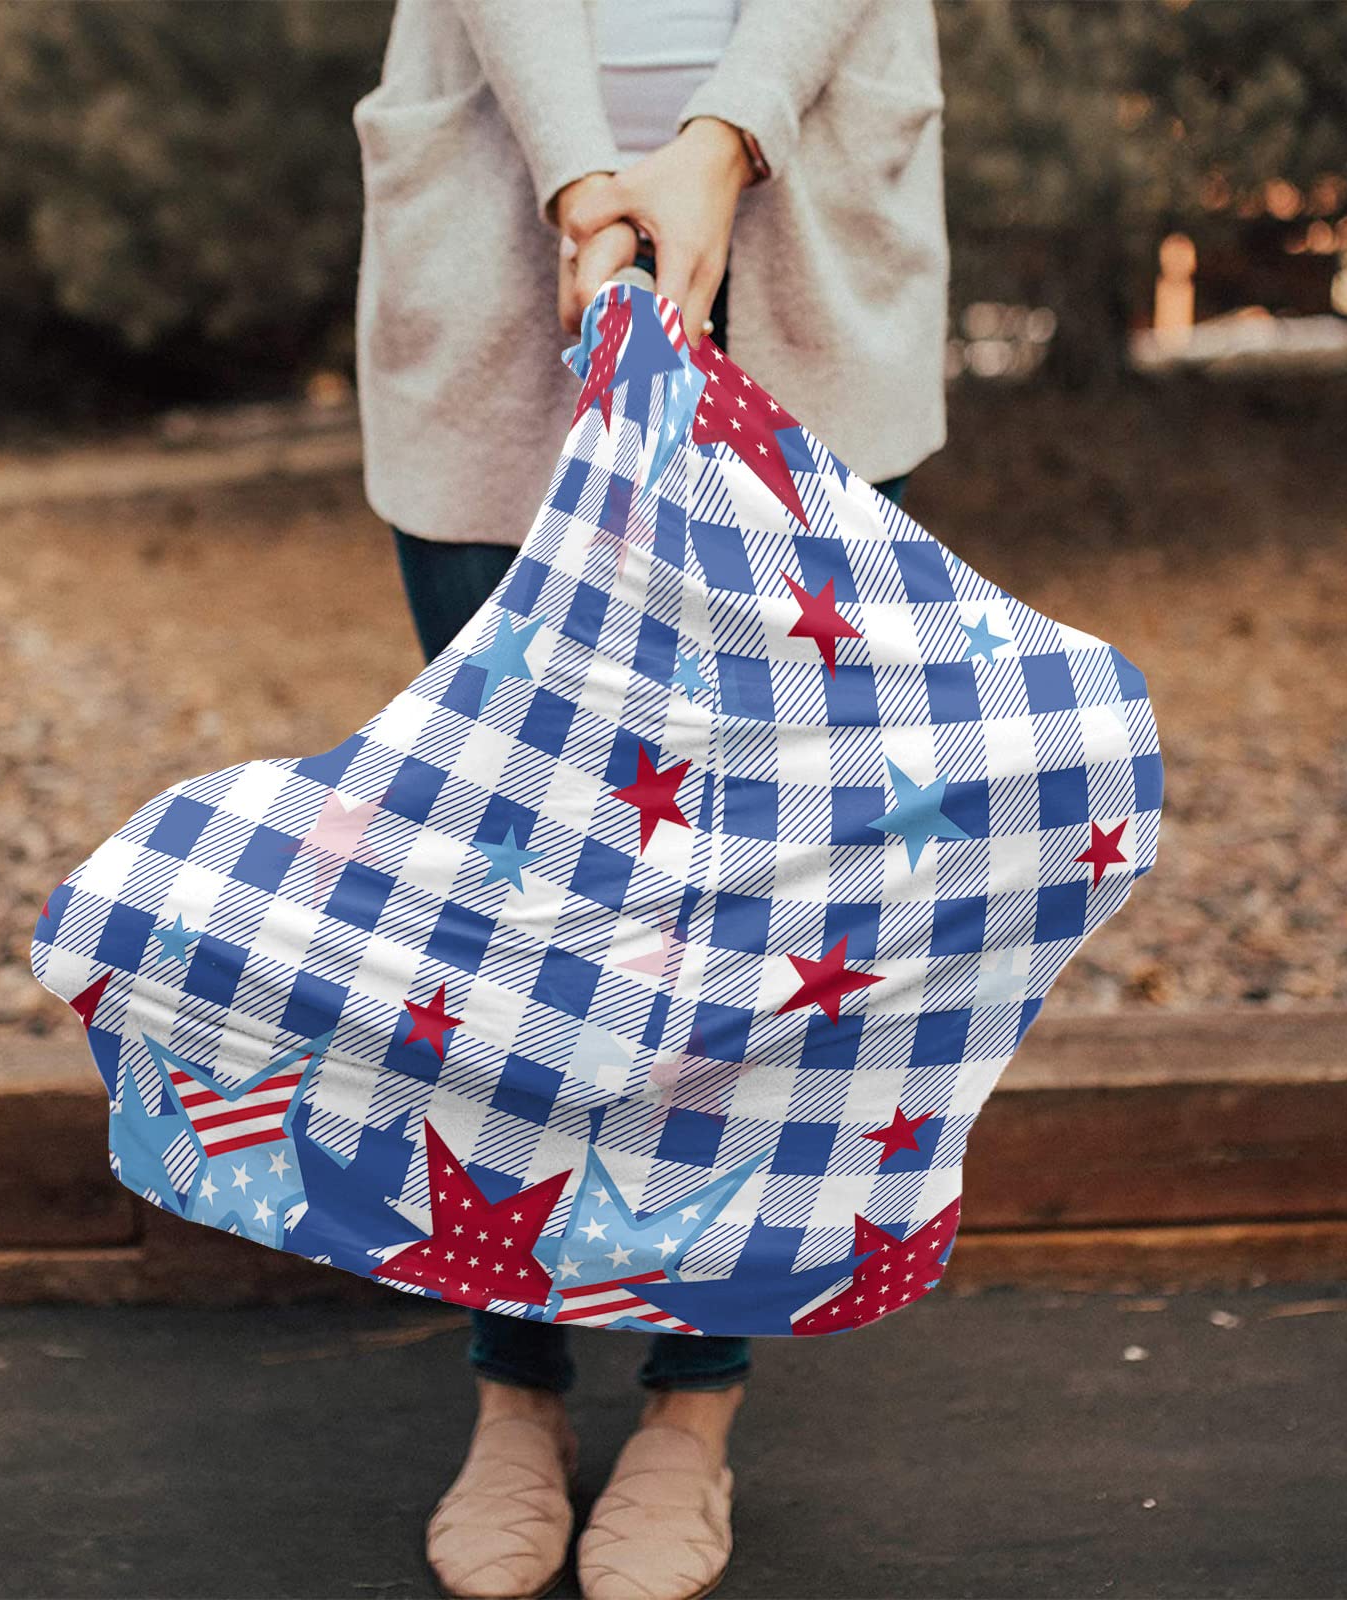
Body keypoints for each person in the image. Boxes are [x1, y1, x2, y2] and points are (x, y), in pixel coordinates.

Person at [351, 4, 948, 1595]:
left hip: (802, 223)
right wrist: (579, 178)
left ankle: (694, 1404)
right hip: (503, 226)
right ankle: (517, 1385)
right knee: (518, 880)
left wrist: (721, 138)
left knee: (756, 894)